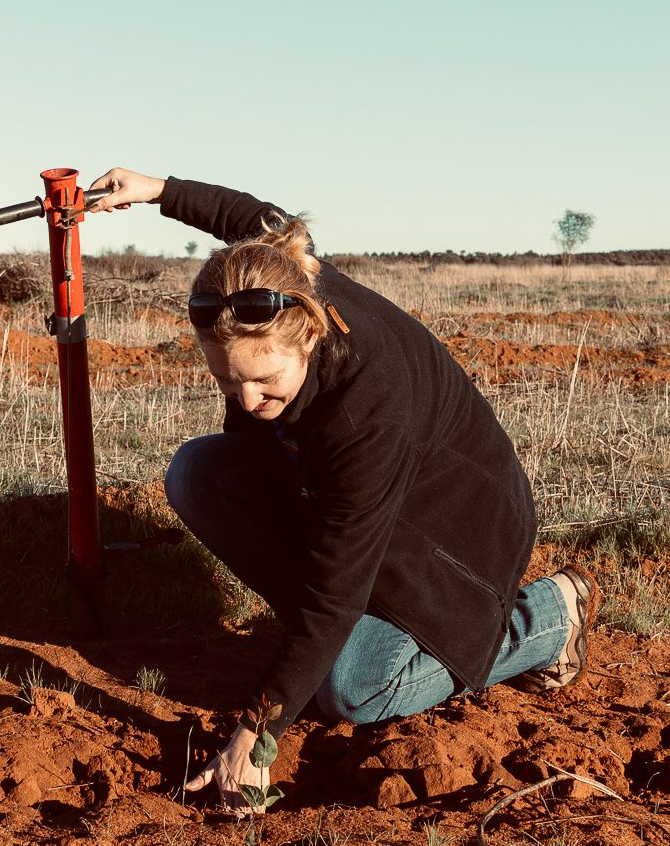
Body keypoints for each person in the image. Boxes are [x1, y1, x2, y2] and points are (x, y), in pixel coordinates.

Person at [88, 168, 600, 812]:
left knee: (355, 689)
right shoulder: (285, 274)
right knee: (201, 473)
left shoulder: (367, 414)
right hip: (370, 504)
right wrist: (160, 190)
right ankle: (323, 647)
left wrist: (258, 736)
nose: (246, 400)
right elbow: (257, 220)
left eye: (265, 381)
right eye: (227, 381)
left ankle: (546, 618)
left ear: (306, 336)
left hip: (453, 531)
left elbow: (336, 586)